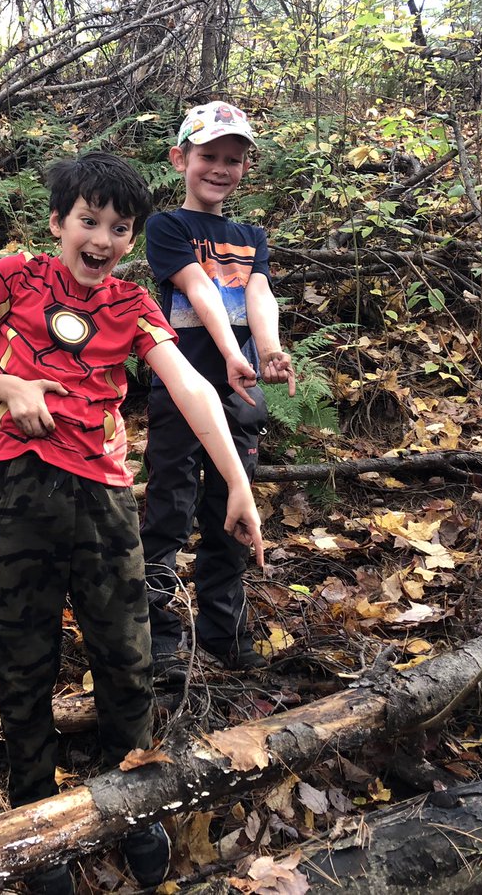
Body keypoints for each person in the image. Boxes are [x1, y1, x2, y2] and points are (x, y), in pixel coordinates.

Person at [0, 151, 265, 894]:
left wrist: (238, 482)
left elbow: (189, 388)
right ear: (59, 222)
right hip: (21, 487)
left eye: (120, 228)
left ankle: (135, 799)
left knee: (126, 654)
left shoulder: (133, 307)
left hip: (108, 498)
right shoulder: (14, 278)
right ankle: (32, 814)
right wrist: (10, 385)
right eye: (89, 221)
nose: (103, 238)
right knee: (26, 655)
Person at [141, 101, 296, 681]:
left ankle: (224, 632)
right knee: (170, 507)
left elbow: (258, 295)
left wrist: (269, 347)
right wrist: (232, 354)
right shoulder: (168, 227)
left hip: (241, 394)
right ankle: (158, 634)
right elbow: (199, 289)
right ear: (181, 159)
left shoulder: (250, 234)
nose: (221, 168)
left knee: (231, 511)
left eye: (233, 159)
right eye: (208, 156)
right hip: (181, 386)